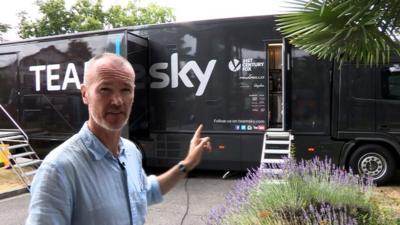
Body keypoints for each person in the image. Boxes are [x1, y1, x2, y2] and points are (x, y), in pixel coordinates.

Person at [26, 53, 212, 225]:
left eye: (125, 90)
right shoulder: (58, 169)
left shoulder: (131, 152)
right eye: (105, 89)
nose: (117, 101)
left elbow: (145, 193)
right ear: (85, 94)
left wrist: (187, 163)